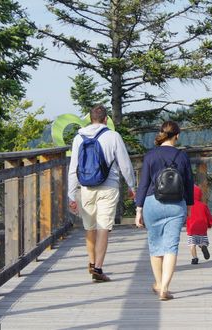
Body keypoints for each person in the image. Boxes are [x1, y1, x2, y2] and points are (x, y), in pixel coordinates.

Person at [68, 104, 136, 282]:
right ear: (106, 119)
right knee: (103, 227)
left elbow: (73, 168)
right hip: (108, 187)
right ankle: (98, 268)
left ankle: (91, 262)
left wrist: (70, 194)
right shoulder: (113, 136)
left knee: (89, 227)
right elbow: (125, 165)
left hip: (86, 188)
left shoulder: (78, 138)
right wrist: (132, 185)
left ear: (90, 119)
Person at [135, 120, 194, 301]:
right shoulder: (182, 156)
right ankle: (165, 289)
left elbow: (143, 184)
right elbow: (189, 184)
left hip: (152, 203)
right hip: (176, 204)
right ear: (177, 135)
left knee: (155, 246)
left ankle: (159, 283)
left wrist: (139, 210)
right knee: (171, 246)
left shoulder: (151, 155)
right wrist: (189, 206)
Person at [186, 185, 212, 265]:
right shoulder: (203, 205)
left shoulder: (188, 206)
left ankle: (195, 258)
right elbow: (208, 216)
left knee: (192, 244)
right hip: (202, 227)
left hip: (192, 227)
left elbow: (185, 216)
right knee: (202, 241)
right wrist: (210, 224)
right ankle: (203, 246)